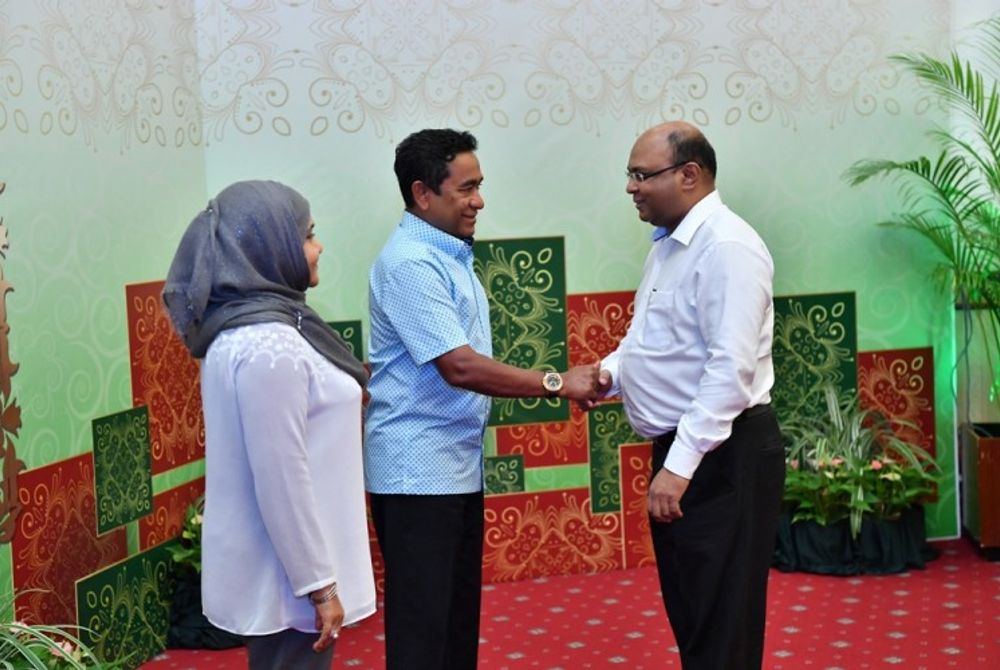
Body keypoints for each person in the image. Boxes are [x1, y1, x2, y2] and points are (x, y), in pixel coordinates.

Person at [365, 128, 601, 670]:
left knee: (454, 624)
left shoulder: (447, 254)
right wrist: (557, 382)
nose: (479, 200)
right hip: (415, 474)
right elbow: (459, 366)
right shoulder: (410, 263)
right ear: (423, 193)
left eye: (480, 185)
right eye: (466, 189)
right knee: (424, 631)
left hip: (451, 466)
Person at [162, 180, 376, 670]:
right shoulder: (268, 347)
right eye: (307, 235)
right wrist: (319, 586)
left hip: (286, 571)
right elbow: (281, 476)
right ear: (269, 247)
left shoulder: (257, 331)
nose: (318, 248)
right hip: (289, 580)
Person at [596, 122, 784, 669]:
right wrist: (605, 378)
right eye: (629, 175)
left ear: (690, 175)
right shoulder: (669, 246)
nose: (631, 187)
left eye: (641, 175)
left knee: (722, 623)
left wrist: (679, 467)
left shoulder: (727, 246)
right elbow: (650, 344)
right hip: (692, 451)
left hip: (724, 454)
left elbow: (729, 370)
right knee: (696, 616)